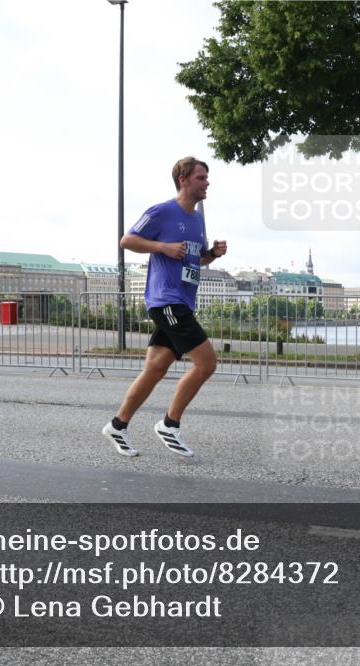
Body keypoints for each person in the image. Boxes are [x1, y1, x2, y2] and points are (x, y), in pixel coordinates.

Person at [102, 157, 227, 458]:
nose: (207, 182)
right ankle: (170, 424)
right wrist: (162, 247)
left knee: (156, 368)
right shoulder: (161, 212)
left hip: (183, 300)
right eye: (201, 177)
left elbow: (192, 261)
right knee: (206, 363)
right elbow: (126, 240)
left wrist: (211, 254)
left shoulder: (198, 220)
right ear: (184, 179)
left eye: (207, 177)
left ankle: (118, 425)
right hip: (166, 300)